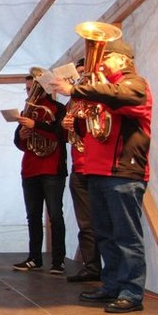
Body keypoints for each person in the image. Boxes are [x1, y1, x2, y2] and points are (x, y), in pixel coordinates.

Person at [52, 39, 151, 313]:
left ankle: (131, 292)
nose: (101, 64)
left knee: (126, 236)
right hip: (97, 170)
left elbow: (123, 97)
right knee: (105, 235)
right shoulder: (103, 90)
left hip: (123, 171)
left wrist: (75, 89)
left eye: (106, 58)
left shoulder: (134, 83)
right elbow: (93, 130)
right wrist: (76, 120)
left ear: (122, 60)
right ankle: (112, 285)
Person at [12, 67, 67, 275]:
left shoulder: (58, 108)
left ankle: (58, 260)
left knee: (55, 215)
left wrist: (36, 124)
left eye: (32, 89)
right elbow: (18, 142)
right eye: (27, 90)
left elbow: (61, 133)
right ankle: (34, 258)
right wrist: (22, 135)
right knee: (33, 216)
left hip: (52, 168)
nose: (29, 94)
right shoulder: (26, 111)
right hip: (30, 169)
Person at [62, 58, 101, 282]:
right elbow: (69, 137)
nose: (81, 78)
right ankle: (91, 267)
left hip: (97, 167)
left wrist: (79, 122)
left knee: (103, 222)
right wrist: (67, 126)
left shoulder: (99, 99)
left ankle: (108, 272)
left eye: (84, 73)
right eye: (79, 74)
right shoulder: (73, 102)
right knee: (85, 223)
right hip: (78, 165)